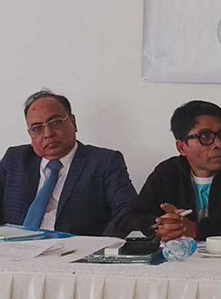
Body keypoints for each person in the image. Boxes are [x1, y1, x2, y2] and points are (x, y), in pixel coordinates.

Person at [118, 100, 221, 242]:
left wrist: (196, 230)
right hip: (178, 259)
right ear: (181, 147)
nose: (219, 144)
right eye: (205, 137)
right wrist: (163, 224)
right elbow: (128, 221)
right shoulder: (167, 173)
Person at [0, 90, 136, 236]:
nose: (48, 134)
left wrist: (101, 245)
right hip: (16, 248)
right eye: (37, 128)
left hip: (75, 248)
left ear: (73, 123)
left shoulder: (104, 162)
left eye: (55, 122)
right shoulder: (15, 159)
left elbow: (128, 212)